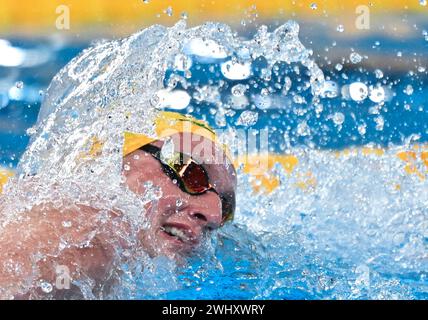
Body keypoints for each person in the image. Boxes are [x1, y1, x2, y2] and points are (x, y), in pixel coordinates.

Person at [0, 111, 237, 299]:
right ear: (110, 162)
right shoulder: (98, 223)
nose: (214, 215)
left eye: (226, 206)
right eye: (189, 172)